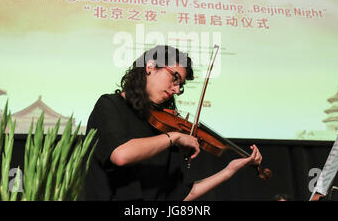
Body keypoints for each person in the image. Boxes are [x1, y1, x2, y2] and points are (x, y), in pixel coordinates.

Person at [83, 45, 263, 201]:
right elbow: (121, 155)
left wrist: (229, 171)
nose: (176, 89)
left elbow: (179, 195)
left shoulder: (164, 128)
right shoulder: (109, 105)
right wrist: (174, 137)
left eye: (180, 85)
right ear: (151, 67)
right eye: (174, 78)